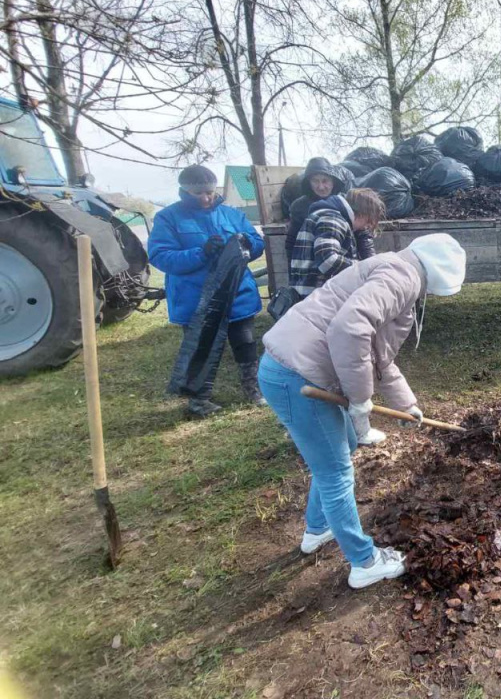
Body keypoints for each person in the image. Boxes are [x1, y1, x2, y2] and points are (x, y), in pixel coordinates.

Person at [258, 233, 467, 588]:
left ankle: (318, 527)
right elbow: (349, 328)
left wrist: (408, 404)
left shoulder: (395, 268)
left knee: (339, 455)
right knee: (335, 471)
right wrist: (359, 399)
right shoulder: (403, 278)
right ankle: (364, 562)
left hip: (292, 369)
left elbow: (378, 353)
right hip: (296, 376)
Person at [148, 165, 266, 418]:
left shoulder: (231, 214)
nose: (205, 198)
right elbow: (161, 257)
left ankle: (254, 389)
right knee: (201, 348)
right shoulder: (168, 218)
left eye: (210, 192)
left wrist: (248, 243)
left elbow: (257, 243)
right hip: (196, 298)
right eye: (198, 193)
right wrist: (200, 253)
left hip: (237, 294)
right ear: (183, 191)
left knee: (245, 342)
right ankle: (199, 400)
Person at [288, 188, 386, 297]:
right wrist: (362, 266)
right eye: (368, 222)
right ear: (363, 214)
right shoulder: (333, 219)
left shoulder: (329, 215)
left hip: (310, 293)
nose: (364, 227)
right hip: (314, 298)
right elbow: (327, 261)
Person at [283, 158, 363, 259]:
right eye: (315, 181)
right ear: (309, 183)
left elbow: (362, 234)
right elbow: (292, 242)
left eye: (325, 181)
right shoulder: (298, 207)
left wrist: (369, 262)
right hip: (312, 263)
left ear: (333, 181)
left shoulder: (345, 202)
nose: (321, 187)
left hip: (345, 261)